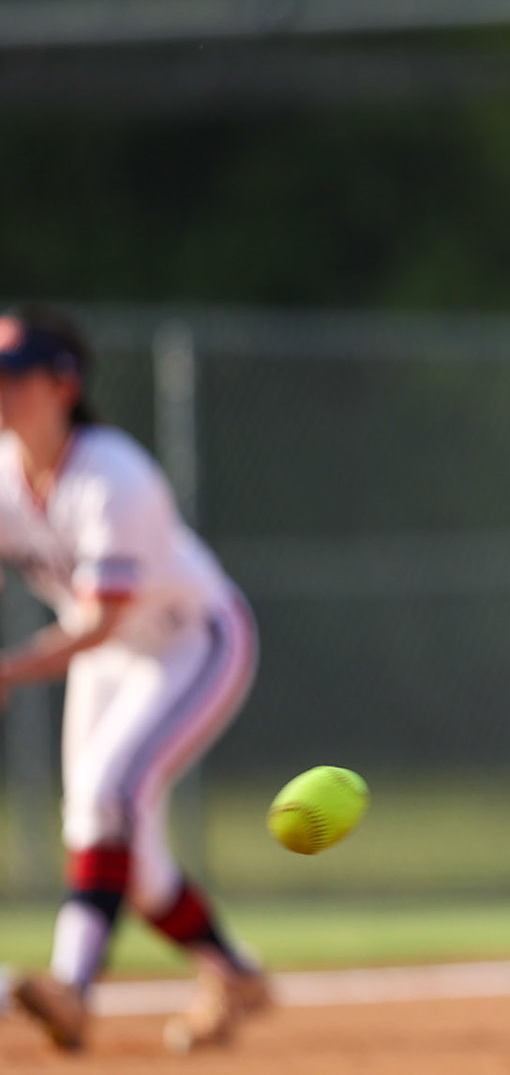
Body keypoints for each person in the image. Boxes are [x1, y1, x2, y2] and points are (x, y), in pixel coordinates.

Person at [0, 306, 268, 1054]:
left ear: (62, 384)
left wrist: (12, 670)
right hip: (113, 654)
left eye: (14, 378)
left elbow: (101, 623)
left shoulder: (114, 477)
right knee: (121, 844)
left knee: (111, 793)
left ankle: (72, 989)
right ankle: (236, 973)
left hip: (194, 642)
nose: (1, 392)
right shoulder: (4, 475)